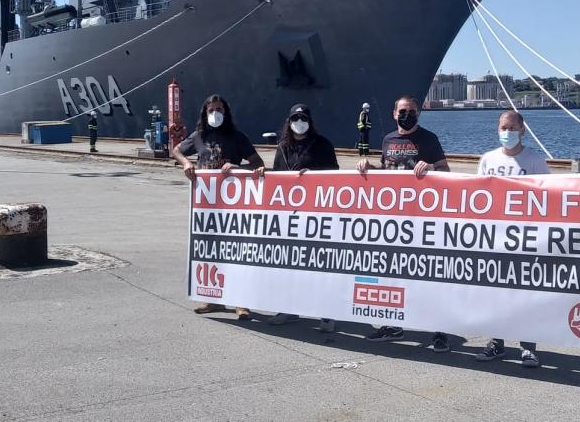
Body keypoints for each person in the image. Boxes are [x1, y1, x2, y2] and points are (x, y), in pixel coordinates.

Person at [356, 96, 452, 351]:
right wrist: (370, 167)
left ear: (418, 113)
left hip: (422, 217)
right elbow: (388, 169)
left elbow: (447, 172)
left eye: (411, 111)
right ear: (394, 113)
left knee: (430, 275)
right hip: (395, 220)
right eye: (403, 111)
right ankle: (392, 324)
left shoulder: (428, 139)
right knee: (393, 275)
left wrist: (431, 167)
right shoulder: (388, 140)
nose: (407, 114)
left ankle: (440, 329)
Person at [173, 94, 266, 320]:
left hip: (235, 205)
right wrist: (187, 163)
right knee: (211, 250)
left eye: (220, 109)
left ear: (226, 113)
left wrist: (237, 166)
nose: (216, 113)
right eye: (212, 109)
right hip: (208, 205)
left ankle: (241, 302)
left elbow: (258, 163)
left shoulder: (237, 137)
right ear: (205, 113)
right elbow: (176, 150)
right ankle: (213, 300)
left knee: (237, 251)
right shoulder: (199, 136)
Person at [474, 111, 549, 367]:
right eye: (504, 127)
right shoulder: (488, 159)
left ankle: (528, 346)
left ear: (522, 130)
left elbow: (549, 198)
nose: (508, 132)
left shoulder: (535, 161)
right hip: (496, 236)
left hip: (526, 238)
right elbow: (478, 197)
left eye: (513, 127)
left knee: (525, 293)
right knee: (497, 292)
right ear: (498, 128)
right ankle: (497, 341)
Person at [267, 104, 341, 330]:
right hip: (289, 215)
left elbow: (336, 175)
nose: (299, 121)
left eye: (303, 117)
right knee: (289, 265)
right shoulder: (283, 147)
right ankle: (288, 308)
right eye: (295, 117)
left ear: (310, 120)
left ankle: (327, 312)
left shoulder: (322, 144)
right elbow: (277, 177)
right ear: (289, 121)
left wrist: (314, 177)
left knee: (318, 265)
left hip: (316, 215)